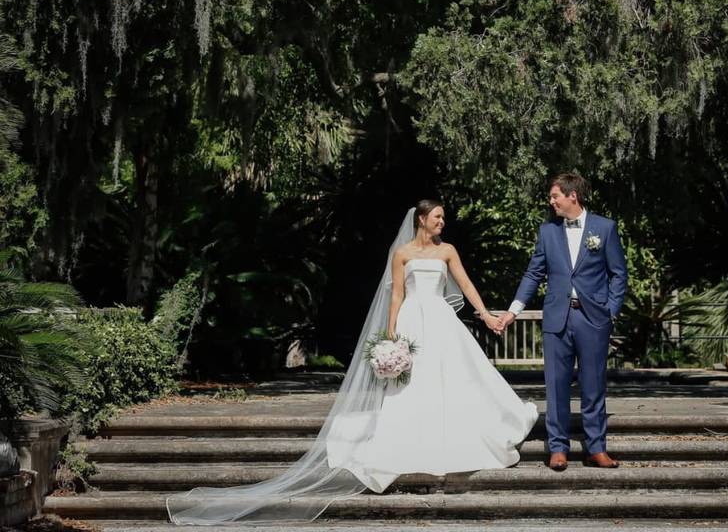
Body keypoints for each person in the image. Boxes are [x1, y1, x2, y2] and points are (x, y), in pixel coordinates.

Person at [167, 201, 537, 524]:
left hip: (441, 320)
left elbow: (467, 285)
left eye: (443, 218)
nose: (443, 222)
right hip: (411, 322)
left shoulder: (449, 251)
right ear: (421, 219)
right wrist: (391, 337)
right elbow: (395, 297)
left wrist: (486, 315)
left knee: (457, 376)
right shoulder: (402, 254)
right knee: (409, 386)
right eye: (438, 217)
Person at [498, 173, 627, 472]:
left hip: (593, 317)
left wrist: (611, 311)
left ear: (573, 196)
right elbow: (533, 274)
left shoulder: (604, 228)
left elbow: (618, 273)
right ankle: (558, 448)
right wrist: (513, 311)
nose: (551, 201)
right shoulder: (548, 232)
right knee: (556, 384)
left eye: (555, 195)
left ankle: (596, 448)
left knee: (593, 384)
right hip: (557, 316)